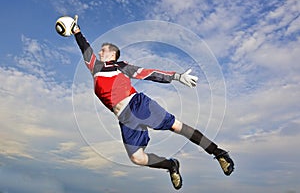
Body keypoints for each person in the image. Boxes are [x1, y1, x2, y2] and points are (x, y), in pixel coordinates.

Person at [71, 16, 234, 190]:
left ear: (113, 54)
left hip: (137, 104)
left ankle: (218, 153)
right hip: (124, 118)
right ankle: (171, 165)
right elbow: (85, 48)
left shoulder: (121, 66)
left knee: (177, 127)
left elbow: (149, 73)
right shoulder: (95, 68)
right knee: (137, 158)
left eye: (103, 50)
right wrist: (76, 31)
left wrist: (176, 76)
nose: (100, 52)